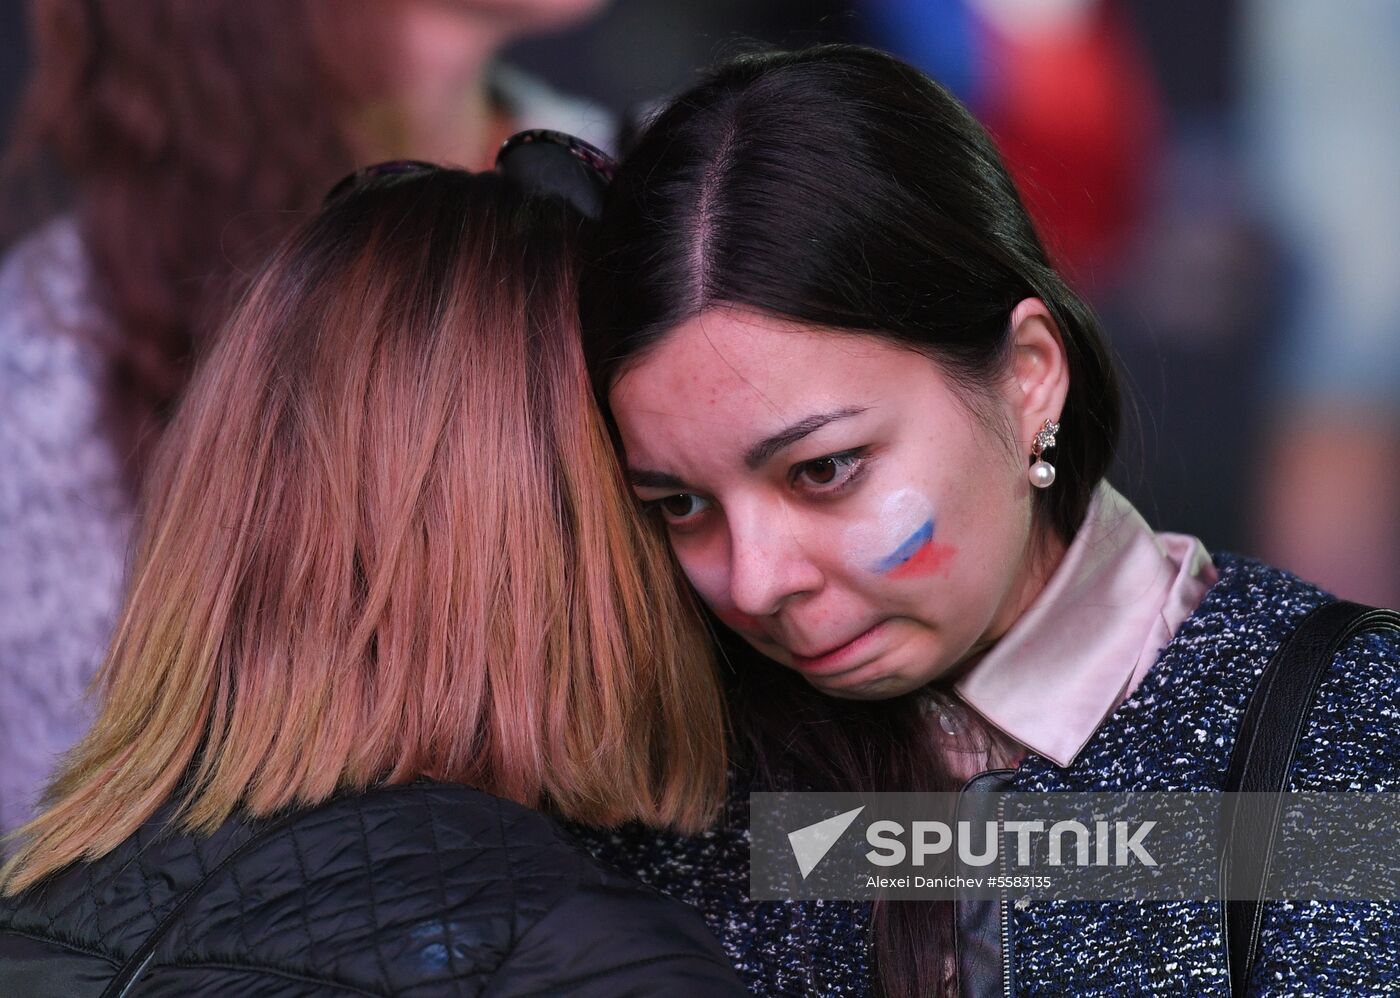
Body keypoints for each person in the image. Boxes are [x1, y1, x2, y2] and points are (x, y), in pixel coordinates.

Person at [571, 45, 1400, 997]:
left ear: (1028, 376)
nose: (754, 580)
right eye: (681, 504)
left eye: (824, 470)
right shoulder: (669, 774)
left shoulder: (1345, 735)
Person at [0, 158, 744, 996]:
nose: (753, 570)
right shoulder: (584, 955)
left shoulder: (34, 905)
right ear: (584, 525)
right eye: (674, 497)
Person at [0, 0, 616, 836]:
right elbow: (60, 837)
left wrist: (809, 909)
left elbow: (837, 829)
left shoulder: (693, 186)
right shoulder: (61, 343)